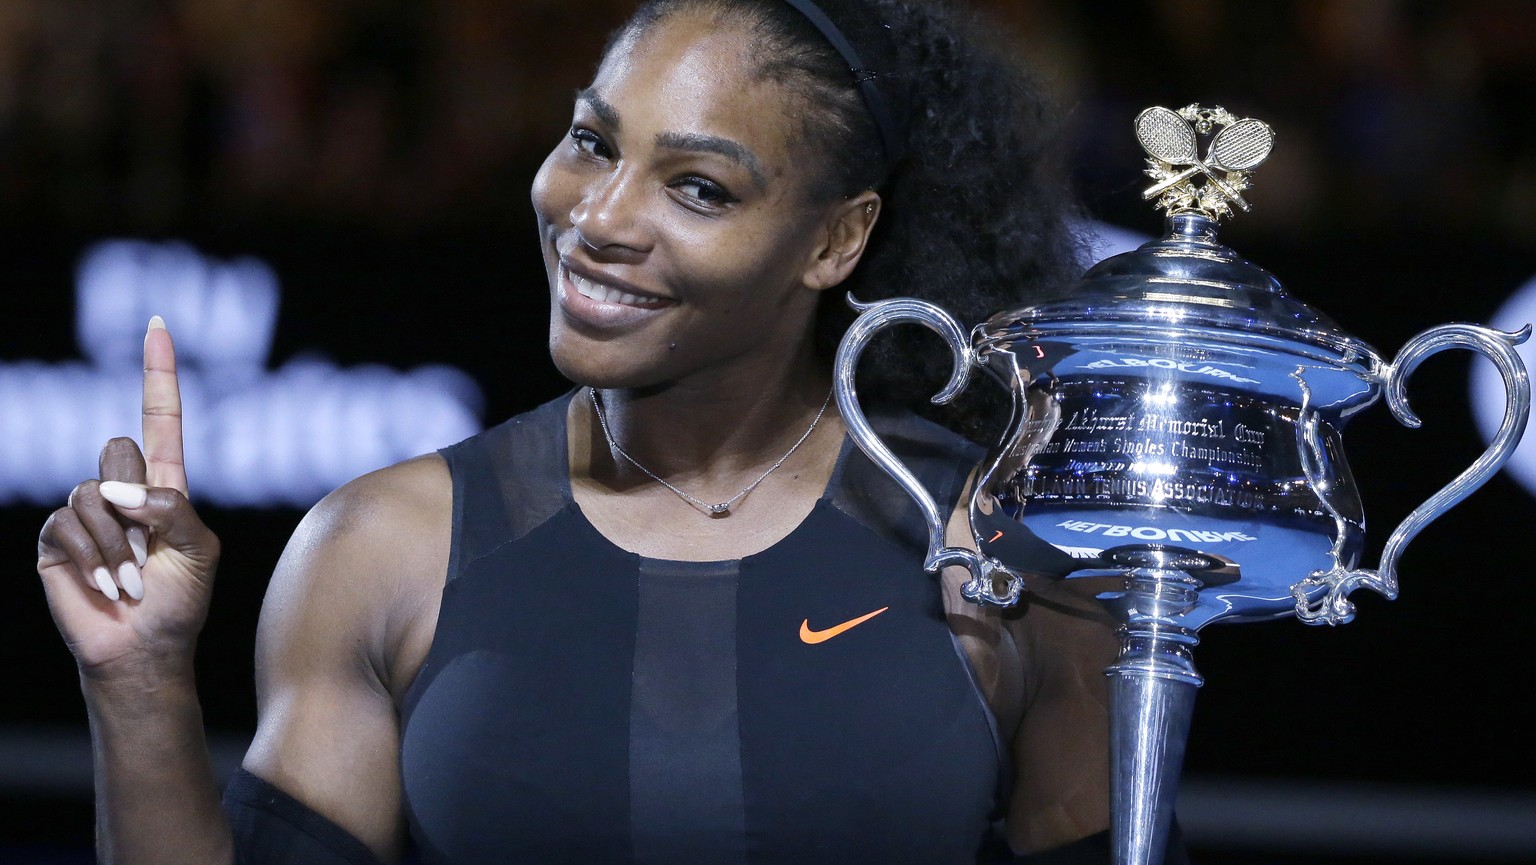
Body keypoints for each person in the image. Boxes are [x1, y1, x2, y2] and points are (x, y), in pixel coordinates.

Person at [35, 0, 1188, 862]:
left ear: (837, 243)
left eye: (698, 188)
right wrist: (136, 683)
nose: (596, 220)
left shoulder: (998, 548)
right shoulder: (380, 547)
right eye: (594, 141)